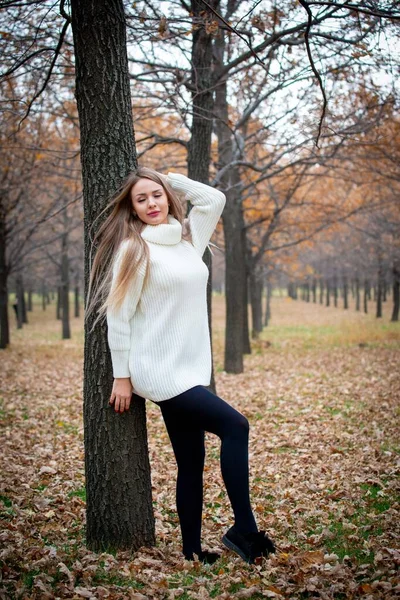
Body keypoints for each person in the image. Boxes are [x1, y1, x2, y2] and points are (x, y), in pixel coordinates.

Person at [87, 167, 275, 564]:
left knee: (191, 462)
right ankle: (245, 530)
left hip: (190, 370)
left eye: (157, 195)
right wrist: (122, 377)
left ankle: (191, 551)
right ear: (133, 209)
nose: (151, 204)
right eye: (141, 199)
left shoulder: (188, 240)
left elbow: (214, 200)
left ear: (168, 197)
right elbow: (119, 317)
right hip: (159, 371)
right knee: (235, 425)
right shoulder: (134, 250)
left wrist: (170, 178)